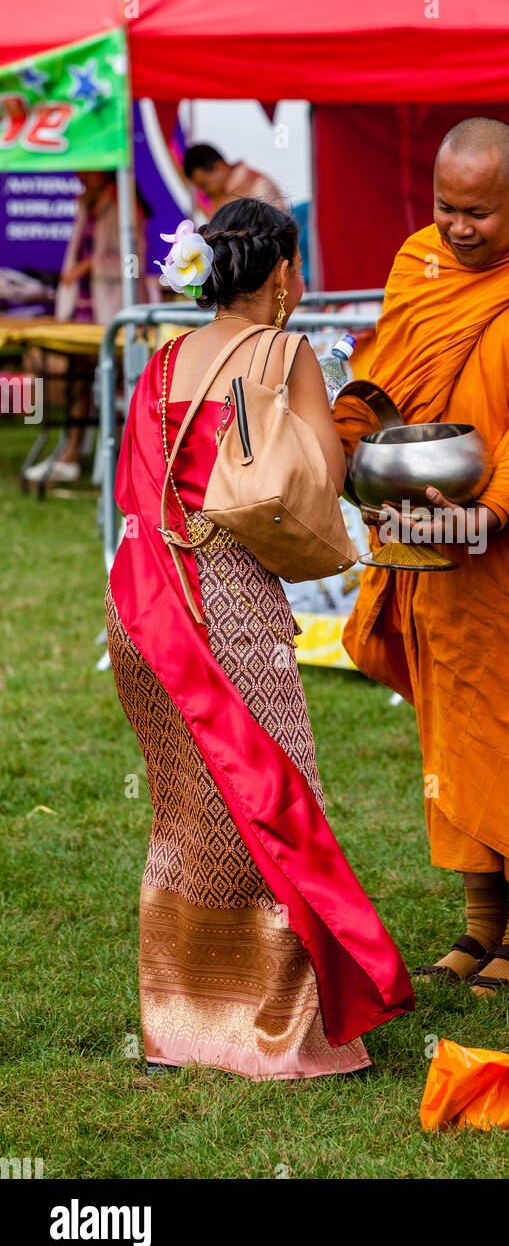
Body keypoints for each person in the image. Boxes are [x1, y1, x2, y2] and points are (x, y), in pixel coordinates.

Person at [106, 197, 413, 1079]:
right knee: (275, 804)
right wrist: (355, 419)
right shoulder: (286, 352)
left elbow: (146, 493)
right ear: (282, 276)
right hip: (232, 605)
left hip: (148, 605)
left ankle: (178, 1024)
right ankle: (276, 1034)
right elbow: (318, 479)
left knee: (188, 813)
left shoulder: (161, 362)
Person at [335, 118, 509, 996]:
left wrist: (489, 514)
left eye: (480, 214)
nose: (459, 228)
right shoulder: (418, 261)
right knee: (458, 718)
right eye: (446, 208)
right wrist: (349, 446)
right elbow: (385, 375)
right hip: (432, 534)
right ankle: (477, 925)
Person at [23, 172, 150, 485]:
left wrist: (91, 264)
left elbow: (134, 261)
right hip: (82, 307)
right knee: (76, 374)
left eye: (88, 169)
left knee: (118, 378)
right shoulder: (85, 203)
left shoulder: (126, 204)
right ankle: (70, 453)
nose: (81, 175)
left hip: (113, 309)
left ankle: (126, 460)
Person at [184, 143, 286, 217]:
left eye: (204, 184)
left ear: (219, 166)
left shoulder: (259, 185)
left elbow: (274, 237)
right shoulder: (217, 196)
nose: (204, 191)